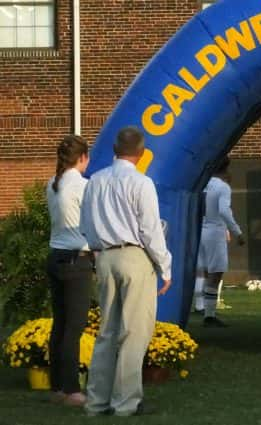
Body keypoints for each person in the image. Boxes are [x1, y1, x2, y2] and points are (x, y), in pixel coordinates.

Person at [80, 127, 172, 416]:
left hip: (104, 256)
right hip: (134, 256)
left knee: (107, 331)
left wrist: (98, 249)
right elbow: (150, 230)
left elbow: (86, 224)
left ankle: (96, 401)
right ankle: (125, 402)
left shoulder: (94, 181)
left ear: (114, 149)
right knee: (134, 332)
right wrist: (164, 266)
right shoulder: (141, 183)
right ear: (141, 152)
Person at [45, 135, 92, 407]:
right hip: (77, 260)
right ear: (82, 157)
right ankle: (73, 390)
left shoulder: (51, 185)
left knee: (60, 325)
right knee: (74, 327)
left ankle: (57, 387)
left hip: (56, 256)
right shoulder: (83, 186)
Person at [196, 156, 245, 328]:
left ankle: (200, 306)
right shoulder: (222, 187)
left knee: (203, 271)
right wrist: (237, 232)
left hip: (199, 231)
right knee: (215, 274)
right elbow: (224, 211)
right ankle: (209, 315)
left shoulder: (201, 184)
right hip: (215, 231)